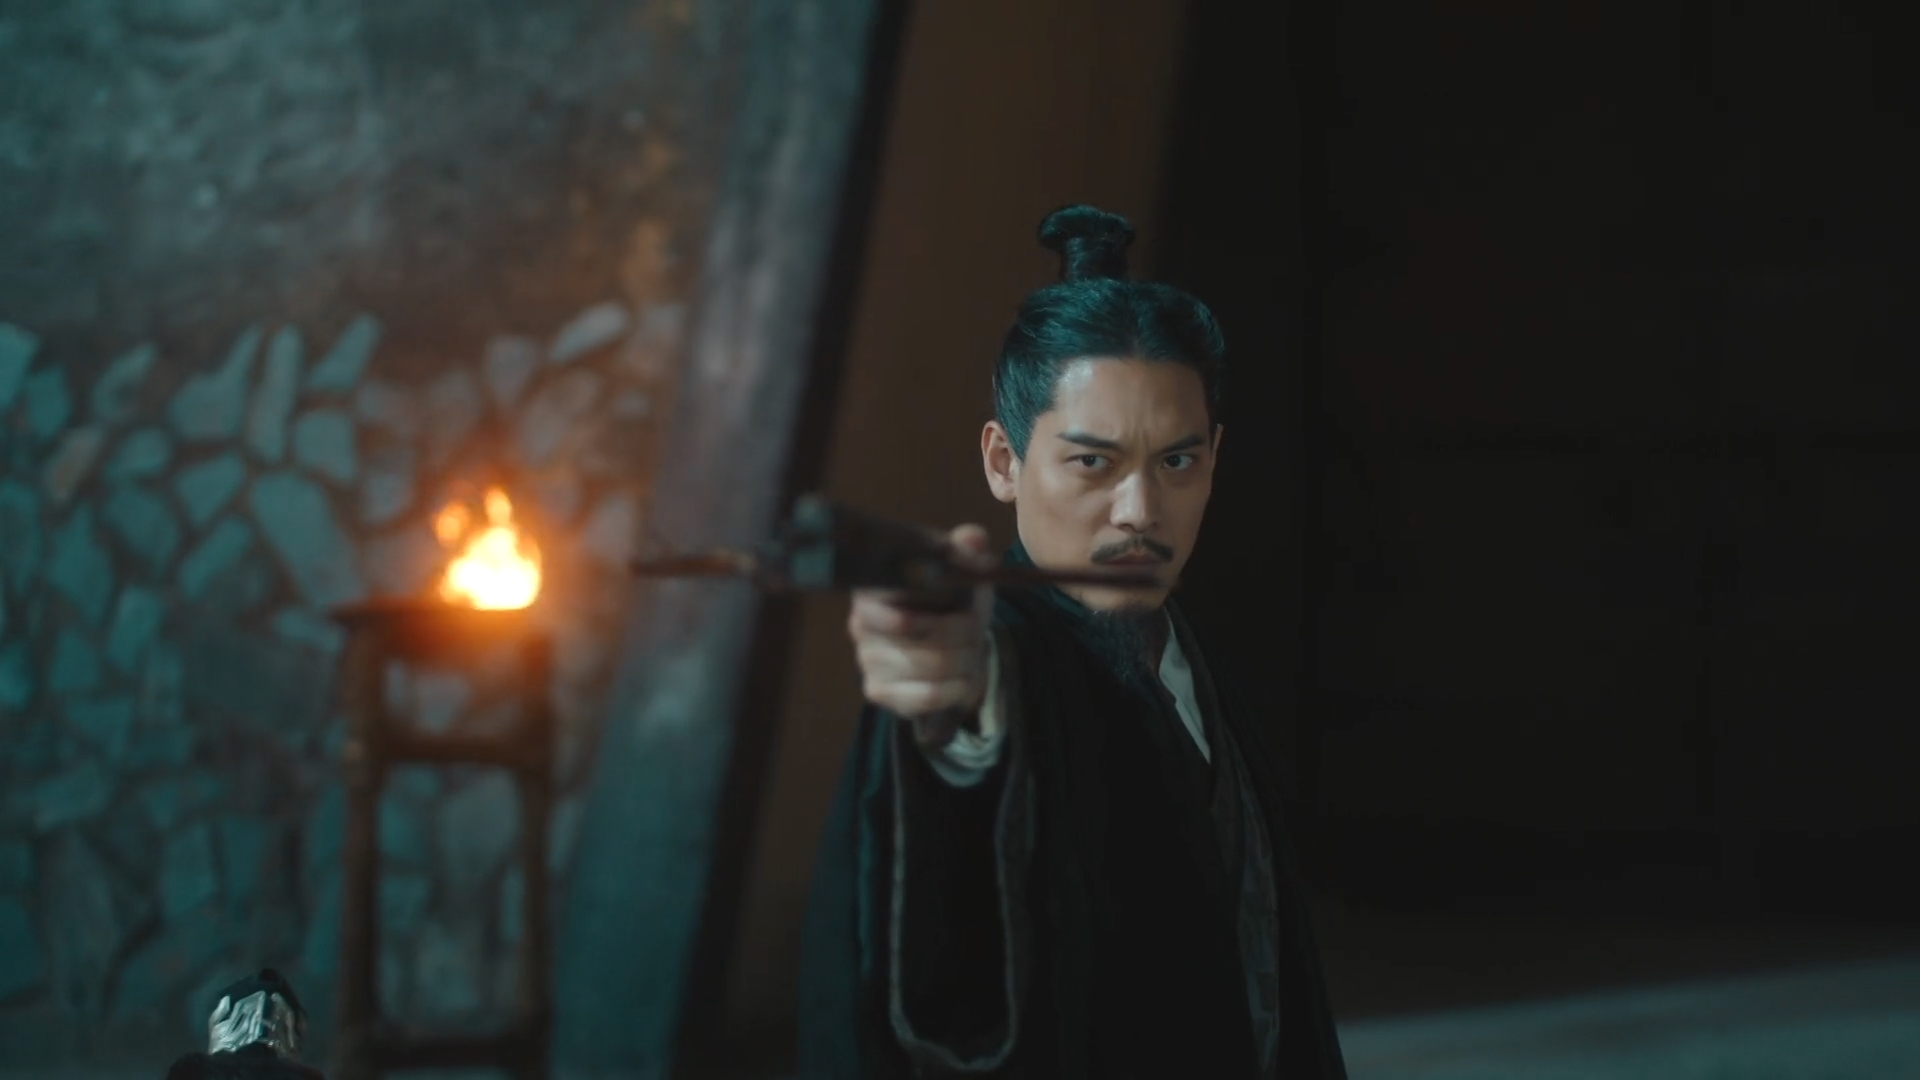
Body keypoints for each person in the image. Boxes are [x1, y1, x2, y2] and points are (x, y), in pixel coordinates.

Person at [799, 205, 1347, 1078]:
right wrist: (953, 708)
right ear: (1004, 461)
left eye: (1177, 462)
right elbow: (961, 778)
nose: (1139, 512)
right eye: (1093, 462)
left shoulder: (1187, 658)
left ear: (1214, 460)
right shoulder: (1005, 653)